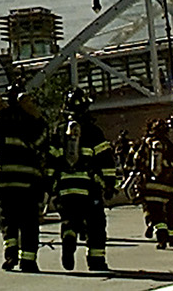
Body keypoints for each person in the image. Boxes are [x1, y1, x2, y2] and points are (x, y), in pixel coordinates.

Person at [46, 90, 113, 271]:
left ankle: (69, 239)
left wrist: (50, 183)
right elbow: (105, 160)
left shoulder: (59, 131)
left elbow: (51, 159)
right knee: (96, 223)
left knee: (69, 219)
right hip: (89, 186)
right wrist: (109, 183)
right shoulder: (93, 132)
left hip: (65, 188)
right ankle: (96, 260)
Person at [0, 85, 47, 273]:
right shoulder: (30, 121)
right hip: (27, 180)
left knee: (8, 220)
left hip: (3, 178)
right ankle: (28, 260)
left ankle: (11, 255)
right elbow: (42, 141)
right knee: (28, 221)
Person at [140, 119, 173, 249]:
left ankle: (161, 237)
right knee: (170, 211)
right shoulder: (169, 145)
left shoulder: (145, 144)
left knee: (155, 213)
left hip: (150, 186)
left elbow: (135, 160)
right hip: (168, 187)